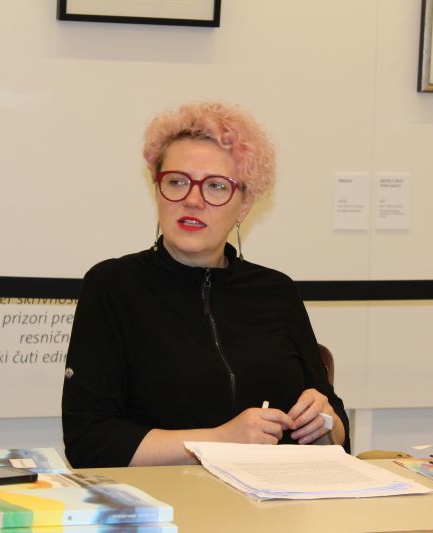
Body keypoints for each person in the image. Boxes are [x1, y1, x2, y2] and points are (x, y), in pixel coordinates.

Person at [62, 101, 350, 468]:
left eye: (216, 186)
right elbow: (88, 442)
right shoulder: (113, 286)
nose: (193, 200)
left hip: (277, 495)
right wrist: (219, 441)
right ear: (157, 191)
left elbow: (338, 431)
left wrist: (324, 424)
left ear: (243, 206)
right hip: (163, 498)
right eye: (177, 182)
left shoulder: (277, 291)